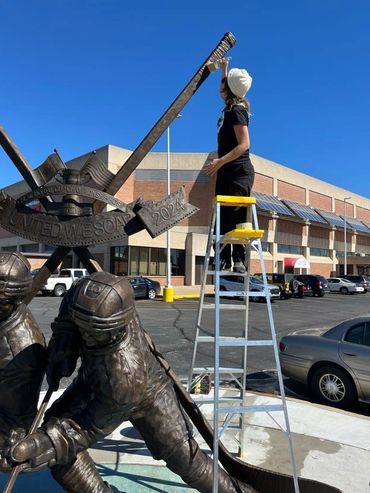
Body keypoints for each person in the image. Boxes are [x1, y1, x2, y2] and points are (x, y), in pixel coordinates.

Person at [6, 272, 256, 493]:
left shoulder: (125, 374)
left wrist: (52, 441)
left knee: (185, 460)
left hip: (148, 394)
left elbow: (87, 427)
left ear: (114, 329)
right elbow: (70, 309)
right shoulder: (87, 296)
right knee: (55, 441)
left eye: (91, 331)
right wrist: (65, 340)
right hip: (94, 381)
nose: (86, 335)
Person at [205, 59, 255, 273]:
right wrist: (224, 68)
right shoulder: (229, 105)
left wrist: (220, 161)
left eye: (226, 83)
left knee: (237, 217)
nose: (221, 89)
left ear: (231, 90)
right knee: (223, 216)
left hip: (239, 173)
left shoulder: (237, 111)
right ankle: (223, 258)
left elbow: (244, 144)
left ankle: (239, 260)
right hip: (226, 171)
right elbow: (223, 87)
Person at [0, 252, 47, 470]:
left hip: (11, 431)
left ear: (15, 300)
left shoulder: (20, 351)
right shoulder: (6, 314)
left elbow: (14, 420)